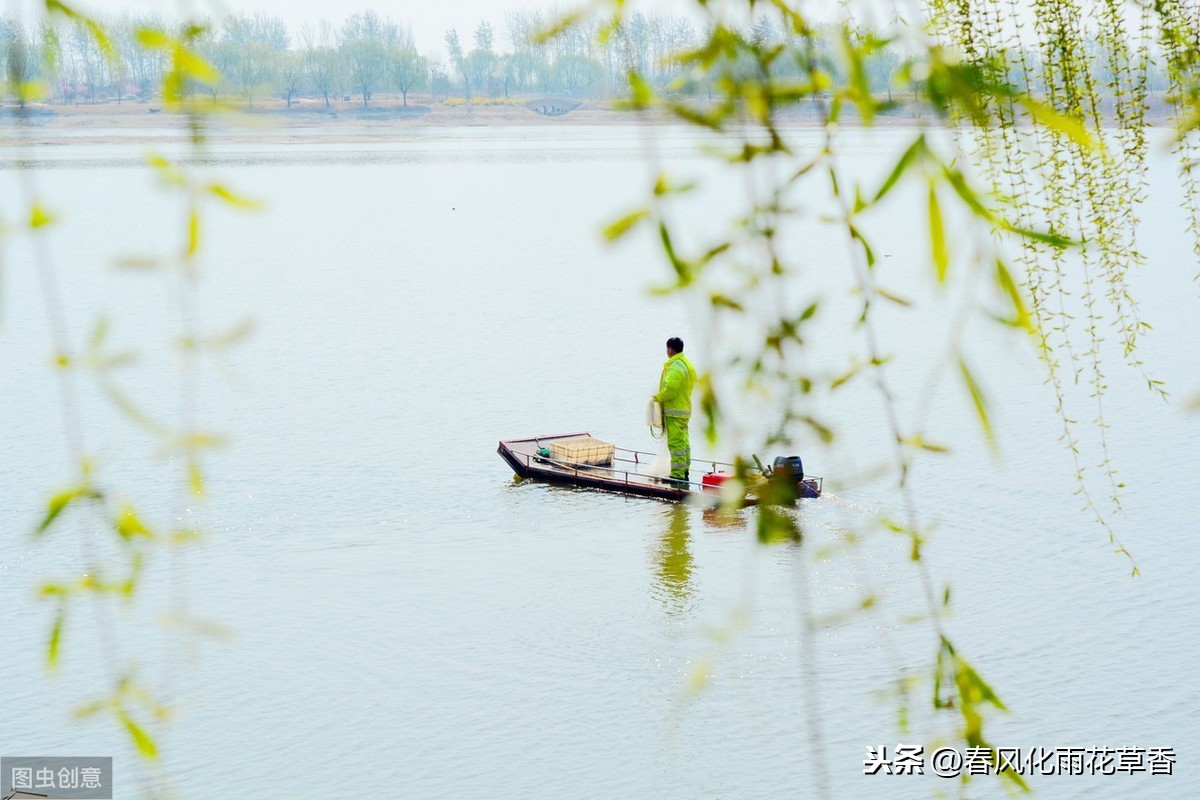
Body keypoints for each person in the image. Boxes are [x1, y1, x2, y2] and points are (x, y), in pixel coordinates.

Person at [654, 337, 697, 485]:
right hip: (685, 409)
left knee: (676, 444)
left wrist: (657, 398)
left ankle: (677, 475)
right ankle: (684, 470)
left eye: (667, 349)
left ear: (671, 350)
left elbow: (670, 390)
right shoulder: (687, 364)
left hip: (674, 411)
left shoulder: (675, 367)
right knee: (684, 442)